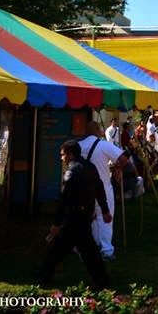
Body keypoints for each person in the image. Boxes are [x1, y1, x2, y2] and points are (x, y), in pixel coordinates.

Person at [36, 140, 111, 290]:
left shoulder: (72, 171)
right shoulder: (91, 167)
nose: (61, 158)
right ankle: (102, 280)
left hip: (74, 217)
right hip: (85, 216)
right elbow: (100, 189)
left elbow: (64, 199)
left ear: (70, 154)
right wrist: (105, 210)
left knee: (64, 249)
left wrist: (57, 223)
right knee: (80, 249)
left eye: (63, 155)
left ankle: (44, 276)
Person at [78, 121, 131, 260]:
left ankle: (89, 248)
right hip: (103, 188)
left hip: (83, 190)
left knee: (89, 219)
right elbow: (124, 159)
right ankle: (106, 250)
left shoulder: (78, 146)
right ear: (96, 129)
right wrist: (117, 168)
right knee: (105, 218)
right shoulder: (104, 145)